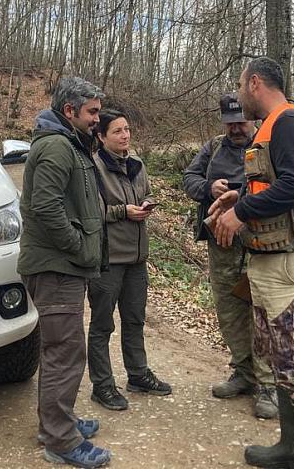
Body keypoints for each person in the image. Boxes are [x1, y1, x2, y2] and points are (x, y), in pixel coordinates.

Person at [208, 58, 294, 469]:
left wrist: (241, 211)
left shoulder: (290, 122)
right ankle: (291, 448)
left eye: (241, 84)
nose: (240, 92)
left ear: (256, 83)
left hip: (293, 265)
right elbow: (276, 180)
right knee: (280, 358)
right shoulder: (269, 127)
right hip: (270, 262)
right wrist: (238, 195)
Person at [18, 76, 112, 469]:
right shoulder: (58, 146)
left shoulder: (68, 142)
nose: (97, 119)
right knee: (64, 352)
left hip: (62, 267)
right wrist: (77, 247)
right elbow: (45, 207)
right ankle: (60, 440)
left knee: (60, 349)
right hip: (57, 267)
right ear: (69, 111)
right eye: (92, 112)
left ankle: (57, 423)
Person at [182, 93, 278, 419]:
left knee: (262, 312)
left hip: (258, 242)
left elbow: (278, 186)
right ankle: (243, 372)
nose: (236, 128)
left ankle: (268, 384)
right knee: (228, 309)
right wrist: (210, 188)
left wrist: (241, 196)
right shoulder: (212, 147)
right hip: (221, 243)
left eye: (241, 121)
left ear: (252, 119)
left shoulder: (267, 145)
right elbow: (189, 179)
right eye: (230, 123)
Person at [87, 109, 172, 411]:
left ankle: (137, 375)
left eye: (127, 130)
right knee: (101, 324)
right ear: (101, 136)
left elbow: (145, 193)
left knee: (135, 319)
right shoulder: (93, 169)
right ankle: (103, 385)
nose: (125, 136)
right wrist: (125, 211)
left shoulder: (137, 164)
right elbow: (92, 214)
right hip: (108, 260)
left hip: (137, 258)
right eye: (117, 131)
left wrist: (146, 204)